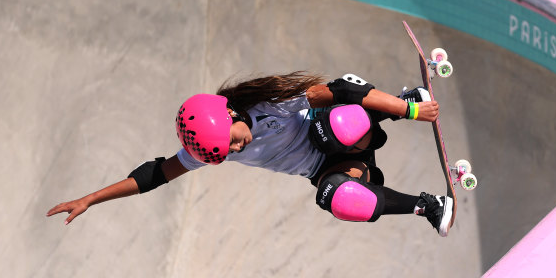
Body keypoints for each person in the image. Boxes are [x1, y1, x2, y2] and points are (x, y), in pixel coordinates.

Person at [46, 71, 455, 236]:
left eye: (234, 142)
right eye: (225, 154)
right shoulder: (209, 149)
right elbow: (155, 174)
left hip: (348, 128)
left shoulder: (273, 102)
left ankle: (398, 105)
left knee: (328, 126)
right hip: (339, 166)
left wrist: (411, 110)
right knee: (335, 198)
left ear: (228, 113)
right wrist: (91, 198)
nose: (236, 150)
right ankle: (428, 206)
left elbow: (344, 88)